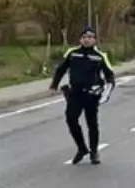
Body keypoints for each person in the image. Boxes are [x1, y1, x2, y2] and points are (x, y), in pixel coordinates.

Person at [49, 27, 116, 165]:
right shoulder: (73, 53)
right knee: (71, 119)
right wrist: (53, 85)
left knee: (92, 124)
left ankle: (94, 152)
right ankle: (81, 148)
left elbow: (110, 76)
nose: (87, 40)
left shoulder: (100, 56)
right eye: (84, 37)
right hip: (75, 93)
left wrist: (105, 95)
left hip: (92, 94)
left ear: (94, 40)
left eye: (90, 37)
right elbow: (61, 69)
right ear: (80, 39)